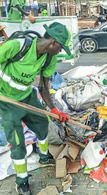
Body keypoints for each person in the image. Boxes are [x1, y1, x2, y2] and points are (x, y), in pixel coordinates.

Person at [0, 22, 71, 195]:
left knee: (41, 123)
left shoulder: (49, 57)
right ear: (53, 42)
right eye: (61, 48)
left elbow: (44, 87)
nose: (60, 52)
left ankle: (44, 156)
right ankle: (22, 181)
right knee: (17, 142)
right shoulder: (16, 46)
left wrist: (54, 110)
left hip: (27, 96)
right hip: (7, 101)